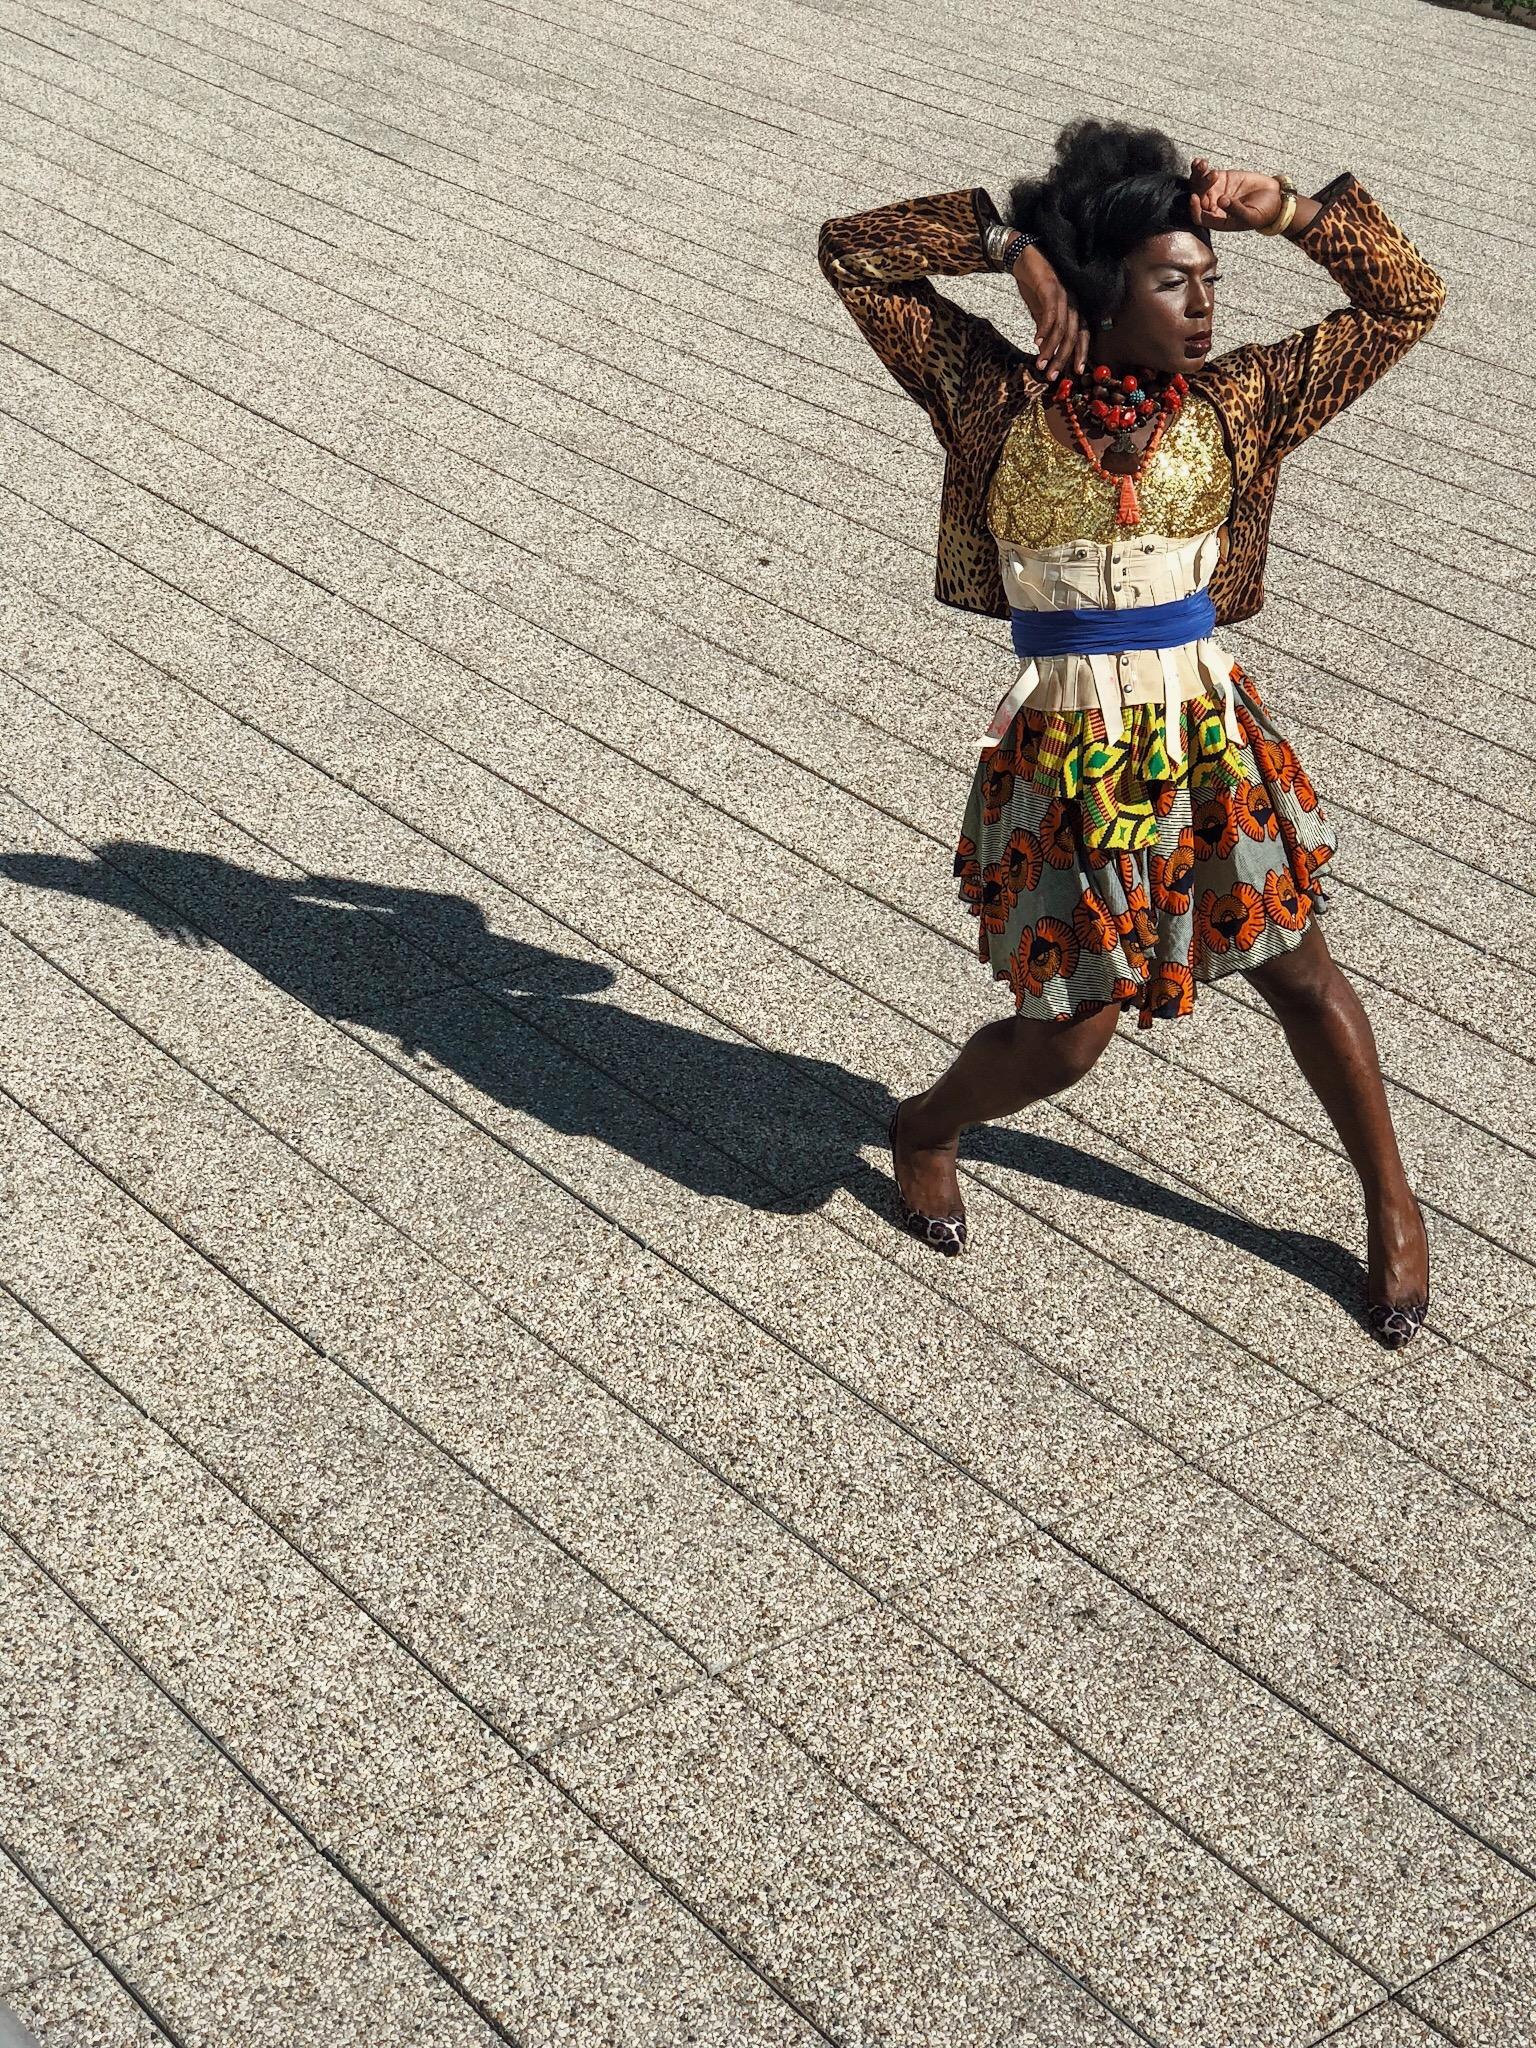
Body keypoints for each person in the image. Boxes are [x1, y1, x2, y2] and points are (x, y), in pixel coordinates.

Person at [817, 118, 1445, 1347]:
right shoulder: (990, 395)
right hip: (1070, 757)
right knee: (1071, 1037)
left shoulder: (1243, 403)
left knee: (1301, 969)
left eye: (1213, 280)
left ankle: (1392, 1199)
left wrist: (1292, 214)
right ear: (1101, 289)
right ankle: (925, 1123)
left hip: (1207, 737)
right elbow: (853, 253)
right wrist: (1008, 246)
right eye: (1176, 280)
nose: (1206, 305)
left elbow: (1406, 299)